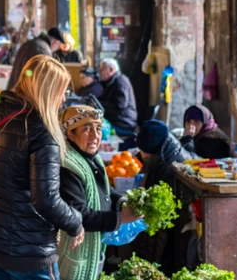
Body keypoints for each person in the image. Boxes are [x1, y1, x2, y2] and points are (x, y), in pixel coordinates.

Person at [0, 55, 84, 280]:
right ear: (47, 90)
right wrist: (75, 222)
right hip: (28, 253)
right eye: (61, 91)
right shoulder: (41, 130)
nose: (64, 98)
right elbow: (46, 199)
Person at [58, 106, 142, 279]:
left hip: (92, 250)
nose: (95, 136)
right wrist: (120, 219)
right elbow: (79, 214)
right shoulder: (68, 167)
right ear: (70, 135)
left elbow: (105, 190)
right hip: (73, 254)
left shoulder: (92, 158)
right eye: (87, 129)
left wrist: (124, 202)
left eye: (97, 129)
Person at [133, 120, 199, 274]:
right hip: (174, 229)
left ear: (149, 150)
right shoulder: (166, 151)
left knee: (169, 258)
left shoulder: (169, 166)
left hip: (176, 229)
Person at [6, 26, 65, 91]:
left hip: (14, 89)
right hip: (24, 92)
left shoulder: (30, 43)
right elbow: (37, 75)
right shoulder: (43, 50)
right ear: (55, 43)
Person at [98, 58, 138, 150]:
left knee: (98, 130)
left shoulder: (121, 81)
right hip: (117, 120)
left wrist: (100, 103)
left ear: (111, 70)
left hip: (123, 123)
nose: (100, 72)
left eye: (102, 69)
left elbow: (119, 106)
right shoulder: (111, 82)